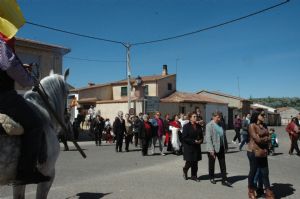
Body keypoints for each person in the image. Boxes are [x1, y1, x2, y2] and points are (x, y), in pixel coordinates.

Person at [0, 35, 50, 184]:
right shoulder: (2, 44)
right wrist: (30, 80)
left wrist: (22, 67)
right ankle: (26, 172)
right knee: (35, 124)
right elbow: (10, 66)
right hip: (3, 97)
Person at [247, 108, 275, 199]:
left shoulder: (265, 126)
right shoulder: (252, 125)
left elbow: (266, 138)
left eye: (264, 115)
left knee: (265, 172)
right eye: (262, 115)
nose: (264, 116)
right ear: (256, 116)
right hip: (253, 151)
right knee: (253, 171)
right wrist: (267, 137)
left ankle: (268, 191)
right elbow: (257, 140)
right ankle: (251, 190)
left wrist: (265, 138)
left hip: (263, 151)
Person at [206, 111, 232, 187]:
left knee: (223, 164)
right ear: (213, 117)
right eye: (218, 117)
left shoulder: (221, 124)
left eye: (220, 117)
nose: (219, 118)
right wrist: (211, 150)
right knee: (212, 164)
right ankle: (211, 177)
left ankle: (224, 179)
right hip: (212, 149)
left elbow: (224, 136)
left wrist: (226, 146)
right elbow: (208, 139)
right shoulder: (209, 125)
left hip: (221, 147)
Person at [182, 112, 203, 182]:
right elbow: (184, 138)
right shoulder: (186, 126)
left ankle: (194, 176)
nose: (195, 117)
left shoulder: (199, 126)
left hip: (196, 147)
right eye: (194, 116)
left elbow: (201, 136)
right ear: (190, 118)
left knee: (195, 162)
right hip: (189, 147)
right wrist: (194, 141)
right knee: (189, 161)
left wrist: (200, 140)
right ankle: (185, 170)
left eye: (196, 116)